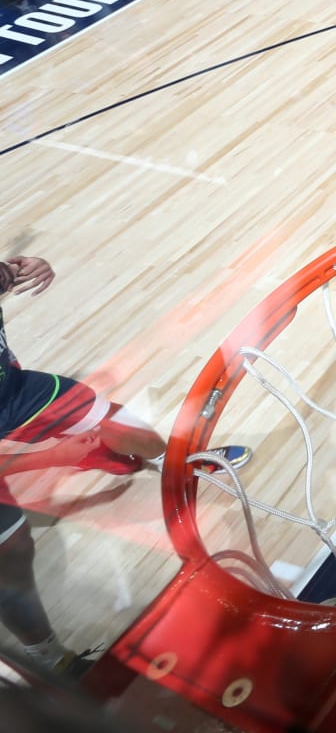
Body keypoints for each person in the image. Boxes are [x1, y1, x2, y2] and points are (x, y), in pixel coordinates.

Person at [0, 256, 252, 674]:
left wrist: (18, 270)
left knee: (116, 422)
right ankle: (47, 659)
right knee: (13, 552)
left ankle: (176, 459)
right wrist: (52, 457)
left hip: (13, 394)